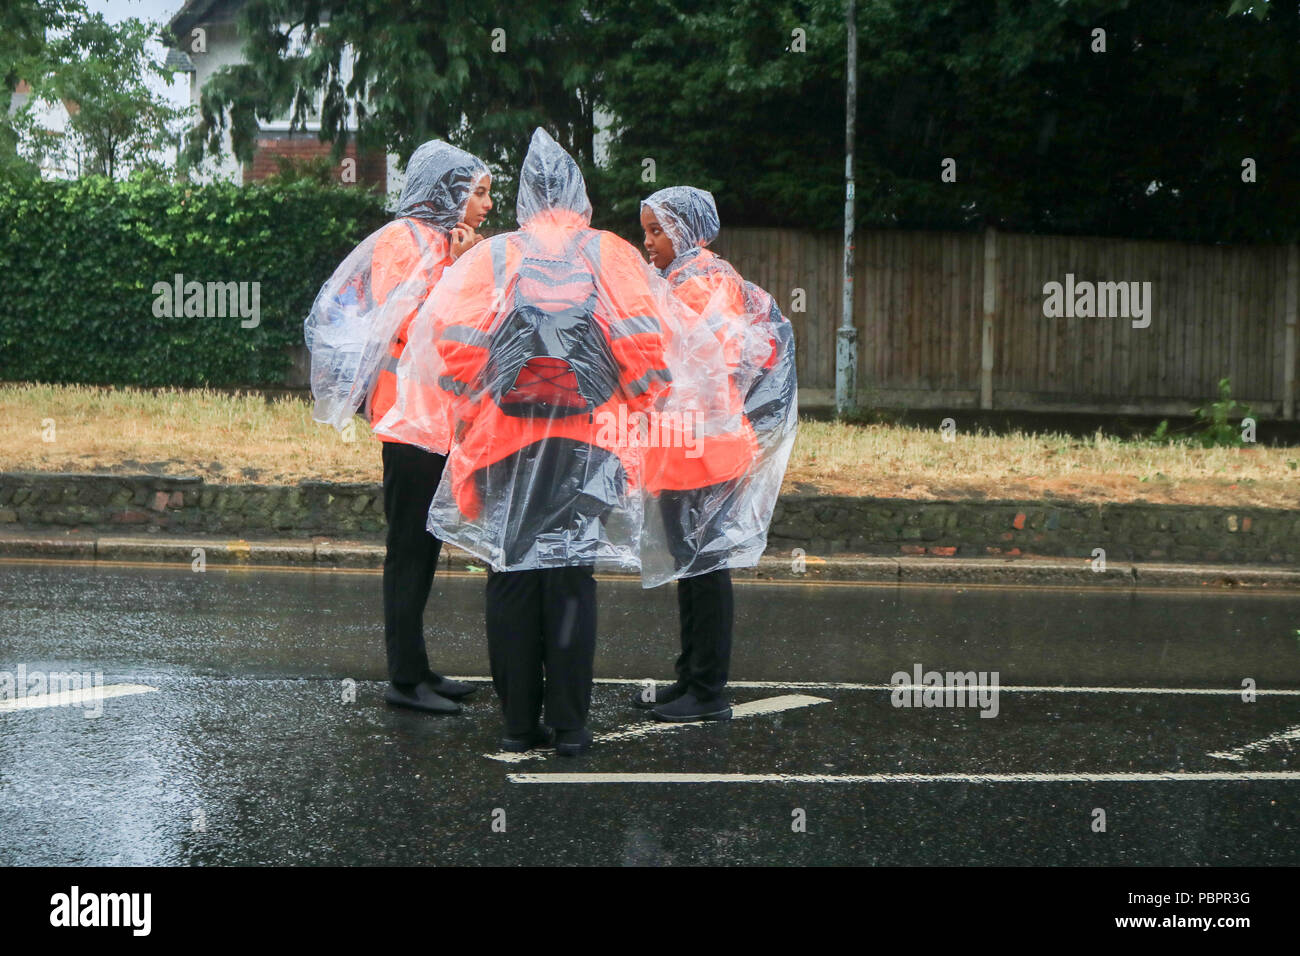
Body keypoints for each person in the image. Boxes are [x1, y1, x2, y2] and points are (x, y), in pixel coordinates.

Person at [381, 129, 699, 755]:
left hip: (505, 447)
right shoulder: (609, 255)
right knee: (572, 576)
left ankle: (520, 724)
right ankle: (572, 728)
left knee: (511, 574)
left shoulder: (494, 256)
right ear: (579, 195)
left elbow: (447, 347)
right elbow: (651, 351)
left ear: (526, 197)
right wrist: (626, 401)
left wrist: (484, 394)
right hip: (588, 444)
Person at [305, 140, 492, 714]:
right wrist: (463, 270)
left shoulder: (438, 241)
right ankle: (404, 679)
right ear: (447, 192)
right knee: (409, 548)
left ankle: (417, 668)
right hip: (410, 424)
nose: (486, 204)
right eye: (478, 192)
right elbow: (414, 324)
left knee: (425, 545)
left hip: (434, 422)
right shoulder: (405, 240)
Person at [635, 185, 799, 722]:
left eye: (657, 231)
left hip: (703, 445)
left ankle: (706, 690)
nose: (648, 241)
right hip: (690, 443)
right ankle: (691, 676)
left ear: (685, 229)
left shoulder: (701, 282)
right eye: (646, 231)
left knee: (704, 565)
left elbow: (701, 361)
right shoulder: (687, 278)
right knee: (693, 563)